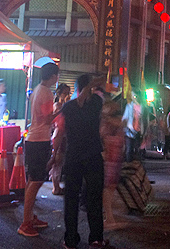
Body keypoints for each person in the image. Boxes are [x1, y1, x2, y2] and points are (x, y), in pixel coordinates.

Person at [62, 73, 113, 249]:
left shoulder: (67, 107)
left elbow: (63, 132)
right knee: (94, 198)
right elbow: (94, 100)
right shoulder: (96, 104)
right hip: (93, 156)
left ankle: (70, 239)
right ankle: (96, 238)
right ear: (90, 87)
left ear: (75, 87)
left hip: (73, 156)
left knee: (71, 199)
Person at [18, 62, 61, 237]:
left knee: (32, 181)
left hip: (33, 139)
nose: (57, 78)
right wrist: (61, 110)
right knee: (35, 182)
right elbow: (46, 118)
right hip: (39, 140)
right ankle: (25, 223)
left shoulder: (37, 89)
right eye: (57, 75)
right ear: (53, 76)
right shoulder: (46, 92)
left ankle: (29, 217)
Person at [100, 99, 126, 230]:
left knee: (110, 187)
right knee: (108, 188)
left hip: (114, 158)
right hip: (110, 158)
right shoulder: (108, 123)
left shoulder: (113, 122)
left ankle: (109, 217)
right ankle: (108, 218)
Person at [50, 82, 71, 195]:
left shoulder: (67, 104)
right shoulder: (57, 106)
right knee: (57, 160)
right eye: (65, 93)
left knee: (60, 161)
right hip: (58, 135)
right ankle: (55, 187)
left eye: (68, 93)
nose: (67, 95)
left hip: (64, 135)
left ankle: (57, 185)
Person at [122, 92, 141, 162]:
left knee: (137, 149)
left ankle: (136, 165)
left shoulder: (143, 107)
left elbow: (145, 119)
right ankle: (129, 165)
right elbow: (125, 117)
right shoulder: (129, 106)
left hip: (139, 131)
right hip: (129, 130)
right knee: (129, 149)